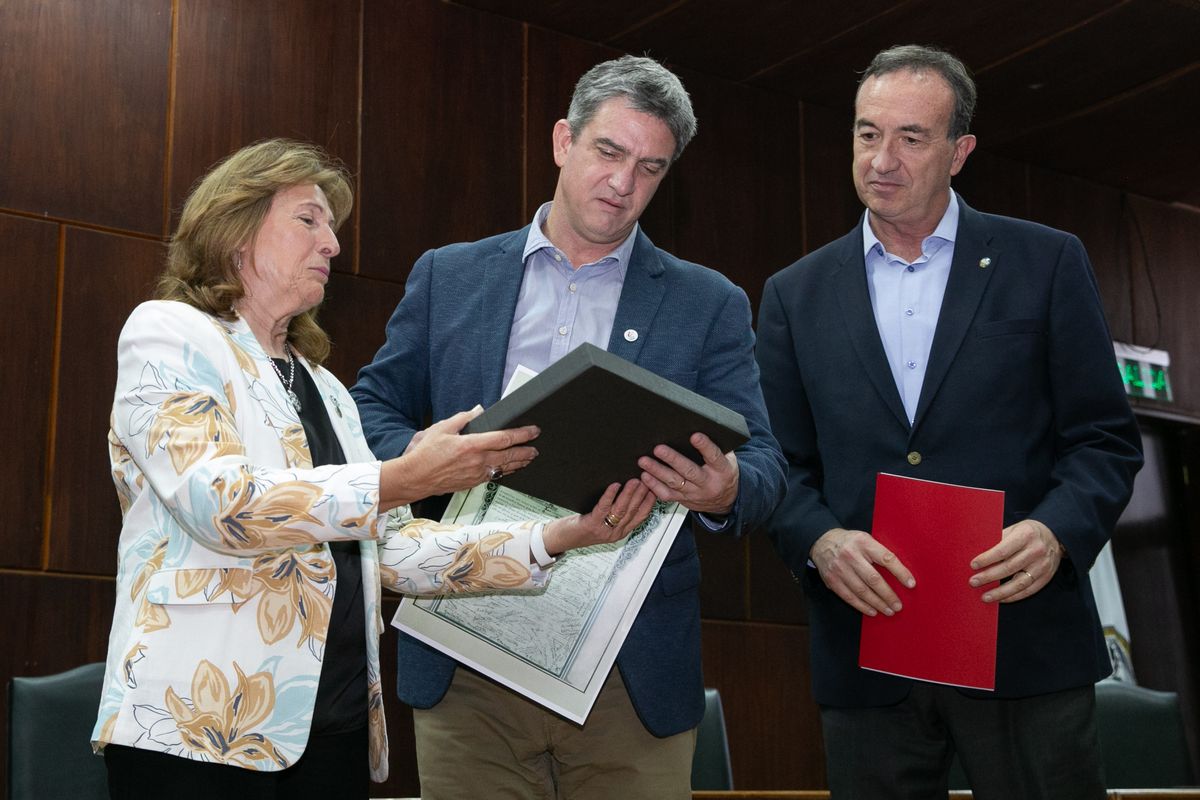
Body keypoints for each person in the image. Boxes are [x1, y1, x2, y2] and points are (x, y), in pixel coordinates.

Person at [91, 138, 654, 800]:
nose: (332, 243)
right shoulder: (170, 334)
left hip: (331, 735)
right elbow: (224, 505)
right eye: (309, 219)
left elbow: (388, 550)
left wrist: (560, 537)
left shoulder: (327, 390)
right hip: (196, 730)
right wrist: (409, 478)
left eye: (333, 226)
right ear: (234, 229)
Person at [351, 56, 786, 799]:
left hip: (628, 675)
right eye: (608, 152)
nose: (622, 183)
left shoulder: (707, 303)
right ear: (563, 141)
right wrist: (427, 458)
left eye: (649, 168)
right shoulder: (449, 275)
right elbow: (368, 411)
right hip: (468, 658)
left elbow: (769, 469)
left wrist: (725, 487)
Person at [756, 44, 1144, 799]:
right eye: (868, 134)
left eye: (911, 137)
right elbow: (778, 464)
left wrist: (1058, 532)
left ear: (960, 151)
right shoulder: (793, 294)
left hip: (1023, 644)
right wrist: (821, 541)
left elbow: (1103, 439)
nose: (882, 159)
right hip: (868, 652)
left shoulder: (1047, 262)